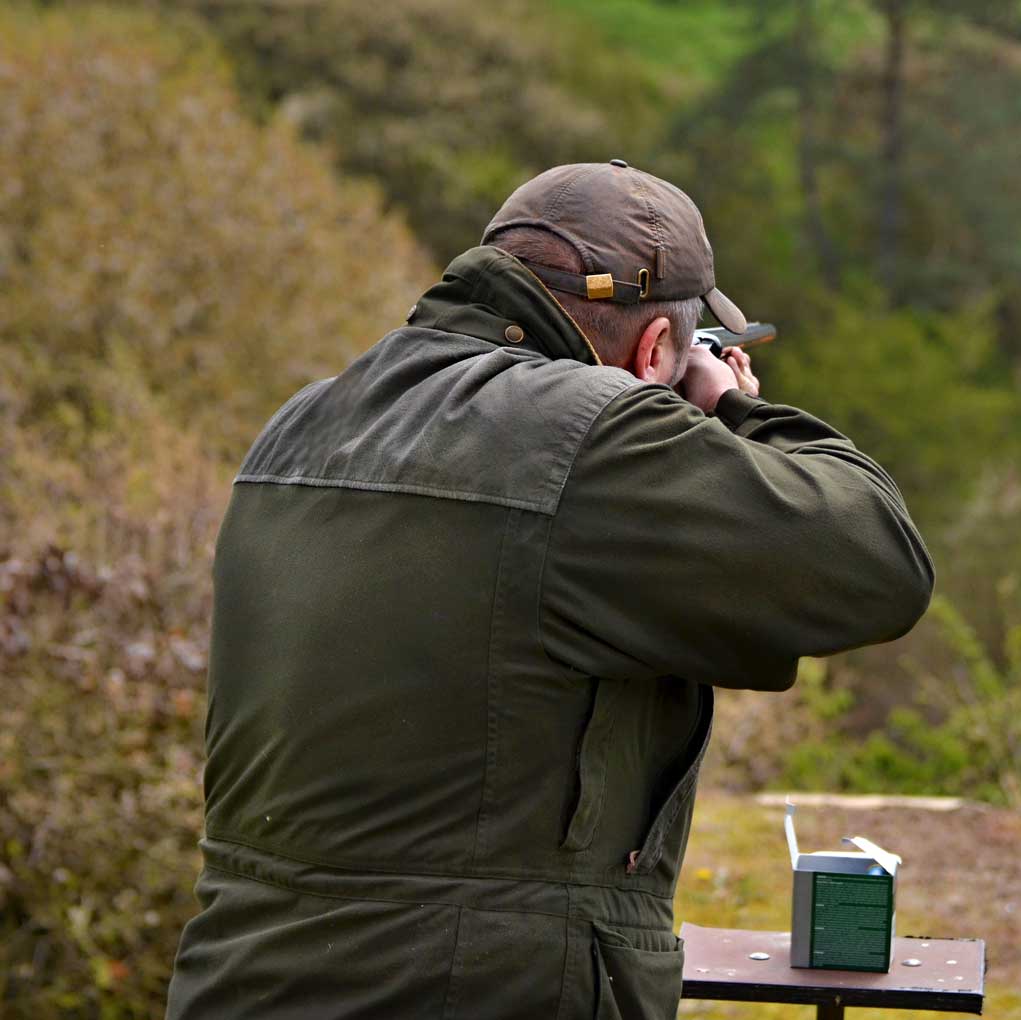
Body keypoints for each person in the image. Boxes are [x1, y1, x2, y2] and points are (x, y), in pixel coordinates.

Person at [166, 160, 935, 1019]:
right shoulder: (592, 441)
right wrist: (731, 412)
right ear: (654, 351)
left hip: (238, 985)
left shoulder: (300, 424)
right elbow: (879, 562)